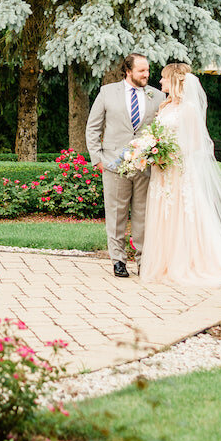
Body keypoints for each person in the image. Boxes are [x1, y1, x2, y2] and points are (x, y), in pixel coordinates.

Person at [141, 64, 221, 289]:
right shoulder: (165, 107)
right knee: (164, 215)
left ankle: (184, 264)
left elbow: (195, 144)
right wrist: (151, 150)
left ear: (175, 80)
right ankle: (164, 264)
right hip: (162, 173)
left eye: (163, 78)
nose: (160, 82)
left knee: (181, 216)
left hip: (178, 171)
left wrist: (166, 154)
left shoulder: (189, 109)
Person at [86, 53, 166, 278]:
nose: (146, 74)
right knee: (116, 214)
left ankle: (143, 260)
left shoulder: (158, 96)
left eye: (148, 70)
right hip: (113, 164)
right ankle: (118, 260)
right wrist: (97, 159)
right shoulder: (107, 92)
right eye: (142, 71)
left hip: (145, 166)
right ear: (128, 71)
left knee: (143, 215)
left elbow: (162, 130)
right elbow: (93, 127)